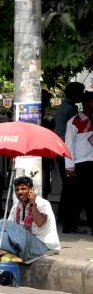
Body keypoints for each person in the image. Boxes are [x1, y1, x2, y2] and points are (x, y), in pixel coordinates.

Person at [0, 176, 59, 263]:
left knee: (2, 223)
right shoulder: (16, 207)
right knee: (2, 231)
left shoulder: (43, 204)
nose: (20, 192)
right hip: (26, 244)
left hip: (43, 246)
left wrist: (32, 203)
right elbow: (7, 231)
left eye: (23, 189)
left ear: (31, 190)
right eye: (17, 190)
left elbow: (40, 222)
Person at [63, 90, 93, 234]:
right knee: (77, 198)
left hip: (90, 162)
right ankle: (69, 226)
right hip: (81, 163)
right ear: (87, 103)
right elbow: (68, 145)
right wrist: (70, 167)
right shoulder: (74, 121)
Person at [57, 82, 84, 231]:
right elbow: (72, 133)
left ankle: (63, 215)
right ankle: (68, 218)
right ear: (74, 94)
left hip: (63, 150)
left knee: (68, 187)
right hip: (66, 151)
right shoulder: (69, 110)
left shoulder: (64, 107)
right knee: (71, 187)